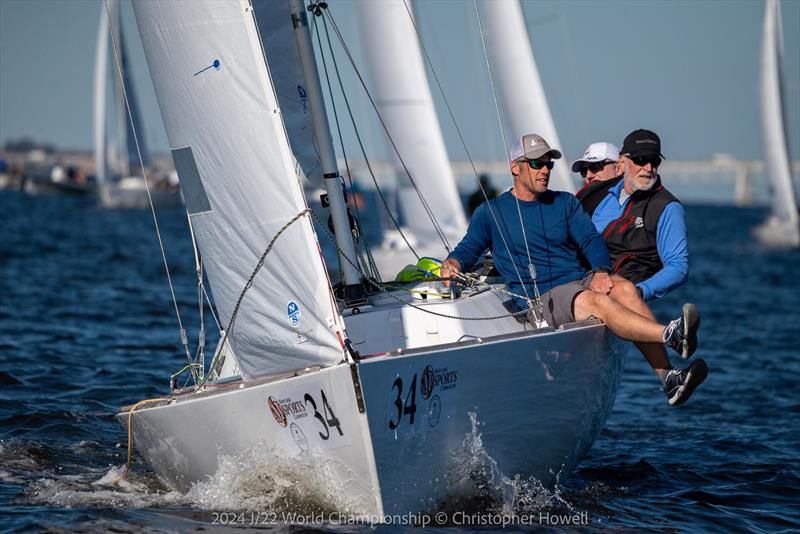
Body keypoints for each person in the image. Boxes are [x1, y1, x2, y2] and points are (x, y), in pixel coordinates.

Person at [440, 133, 707, 406]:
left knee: (626, 288)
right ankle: (669, 334)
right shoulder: (490, 212)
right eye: (536, 164)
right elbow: (467, 250)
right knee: (597, 302)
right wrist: (452, 264)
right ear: (515, 167)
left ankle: (668, 379)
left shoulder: (565, 203)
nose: (544, 169)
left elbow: (591, 240)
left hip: (579, 279)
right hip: (543, 294)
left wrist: (602, 270)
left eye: (548, 164)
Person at [579, 129, 688, 301]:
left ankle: (665, 329)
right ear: (622, 162)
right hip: (581, 284)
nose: (649, 168)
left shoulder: (667, 207)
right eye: (640, 160)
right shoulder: (599, 195)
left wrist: (639, 291)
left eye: (654, 161)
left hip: (622, 297)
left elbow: (678, 267)